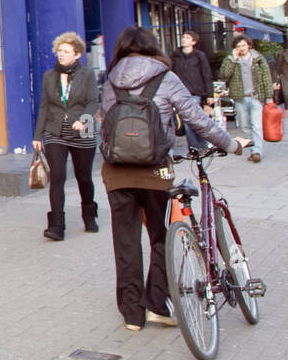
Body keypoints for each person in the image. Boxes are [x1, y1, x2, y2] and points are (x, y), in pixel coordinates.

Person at [99, 27, 249, 332]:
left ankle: (131, 314)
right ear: (152, 46)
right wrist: (231, 144)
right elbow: (197, 119)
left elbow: (106, 124)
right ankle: (156, 304)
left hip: (117, 171)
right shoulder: (165, 76)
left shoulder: (110, 79)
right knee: (160, 236)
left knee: (125, 241)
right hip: (156, 172)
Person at [32, 32, 99, 241]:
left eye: (66, 51)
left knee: (84, 177)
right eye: (59, 51)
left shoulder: (87, 75)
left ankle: (89, 216)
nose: (61, 55)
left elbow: (93, 101)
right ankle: (56, 226)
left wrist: (83, 119)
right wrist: (38, 135)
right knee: (58, 177)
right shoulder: (49, 76)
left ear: (77, 54)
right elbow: (44, 105)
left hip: (83, 130)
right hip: (55, 131)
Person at [217, 34, 273, 162]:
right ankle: (253, 144)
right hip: (240, 97)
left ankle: (257, 151)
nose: (241, 48)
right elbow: (224, 75)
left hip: (256, 97)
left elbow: (266, 77)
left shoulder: (258, 58)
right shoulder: (231, 59)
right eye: (238, 46)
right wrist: (233, 59)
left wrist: (269, 96)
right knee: (244, 126)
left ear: (248, 45)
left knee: (257, 125)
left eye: (243, 45)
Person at [170, 31, 214, 151]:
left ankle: (196, 146)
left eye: (187, 38)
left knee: (191, 120)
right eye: (183, 37)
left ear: (193, 42)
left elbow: (206, 75)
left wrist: (210, 94)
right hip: (179, 93)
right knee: (187, 121)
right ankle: (198, 145)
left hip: (195, 93)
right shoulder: (175, 56)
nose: (184, 39)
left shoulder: (199, 56)